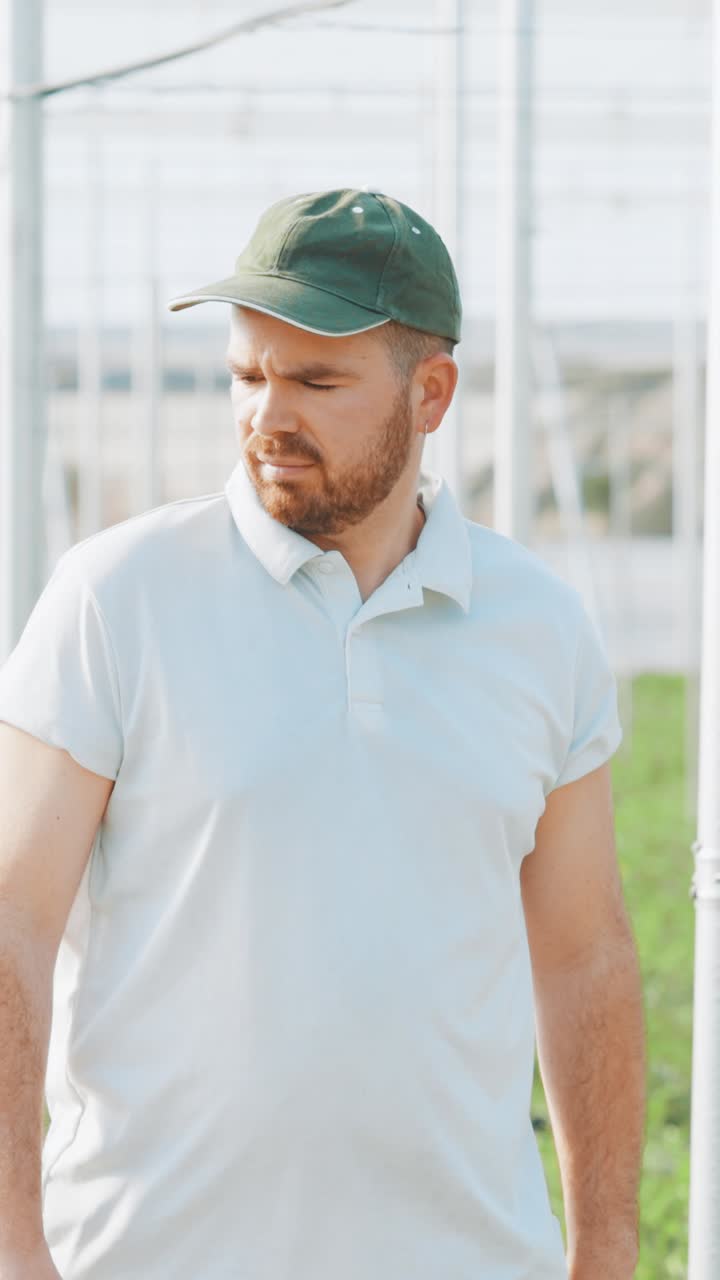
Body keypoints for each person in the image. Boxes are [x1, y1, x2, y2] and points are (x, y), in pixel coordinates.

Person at [0, 188, 645, 1280]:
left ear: (431, 392)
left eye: (316, 381)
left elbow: (585, 958)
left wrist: (608, 1252)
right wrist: (14, 1244)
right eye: (248, 375)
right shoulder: (118, 599)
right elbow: (12, 921)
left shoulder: (541, 627)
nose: (267, 415)